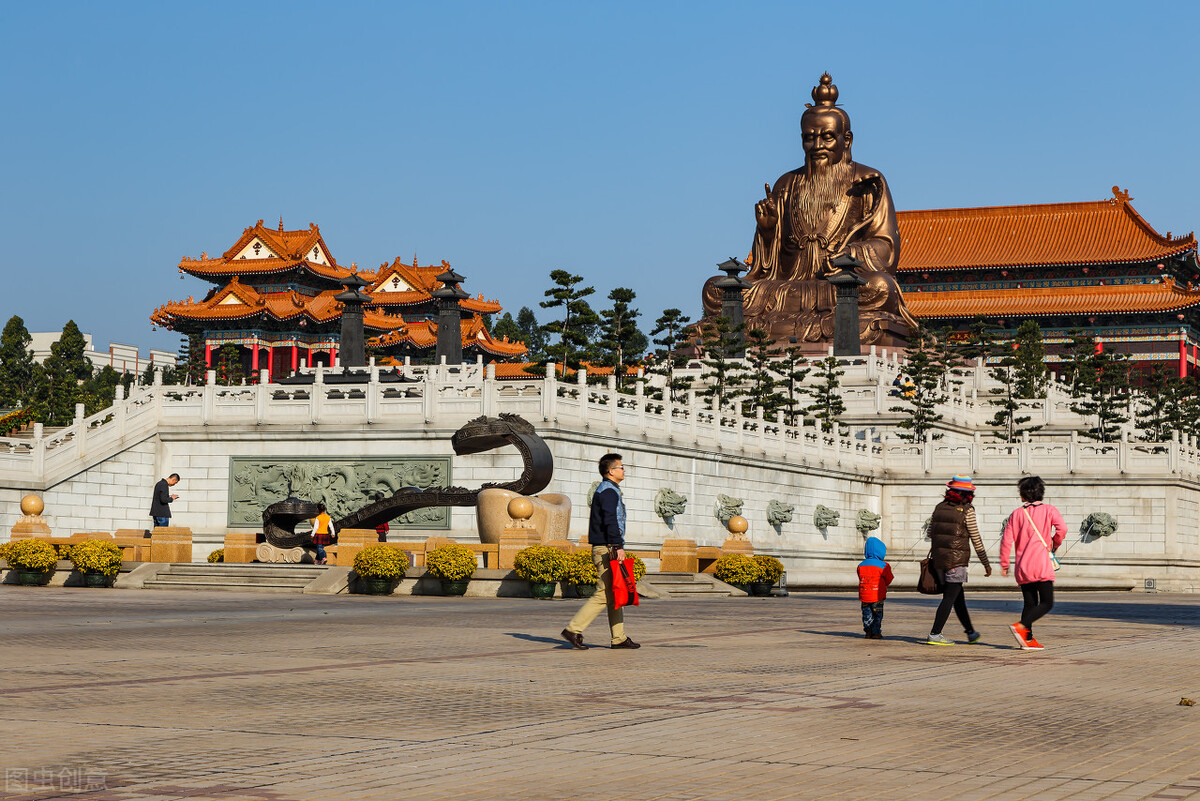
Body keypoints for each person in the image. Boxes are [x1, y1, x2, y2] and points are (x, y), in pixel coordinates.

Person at [700, 72, 917, 345]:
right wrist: (767, 232)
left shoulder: (868, 182)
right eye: (809, 138)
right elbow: (767, 266)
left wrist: (850, 253)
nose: (817, 146)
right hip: (786, 288)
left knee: (880, 288)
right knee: (717, 289)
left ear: (846, 140)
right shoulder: (786, 183)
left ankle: (769, 330)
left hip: (838, 286)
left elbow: (886, 246)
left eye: (827, 137)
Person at [561, 453, 640, 651]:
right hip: (607, 548)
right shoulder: (608, 491)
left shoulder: (610, 489)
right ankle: (573, 629)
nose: (624, 470)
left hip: (607, 546)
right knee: (604, 593)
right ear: (611, 471)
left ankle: (619, 638)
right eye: (621, 467)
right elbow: (609, 520)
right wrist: (617, 546)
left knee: (615, 594)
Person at [999, 476, 1067, 650]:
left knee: (1029, 603)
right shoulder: (1049, 510)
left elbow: (1006, 540)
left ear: (1023, 495)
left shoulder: (1017, 514)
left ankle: (1027, 640)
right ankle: (1022, 625)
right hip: (1041, 564)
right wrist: (1054, 543)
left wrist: (1005, 563)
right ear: (1040, 493)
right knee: (1047, 602)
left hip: (1023, 566)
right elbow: (1062, 529)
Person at [926, 475, 992, 646]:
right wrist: (986, 563)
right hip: (957, 561)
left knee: (957, 597)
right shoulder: (967, 510)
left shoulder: (939, 508)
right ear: (968, 493)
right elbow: (976, 538)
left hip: (940, 561)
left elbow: (929, 533)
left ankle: (970, 632)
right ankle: (935, 633)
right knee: (949, 598)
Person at [857, 536, 894, 639]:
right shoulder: (884, 565)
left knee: (866, 615)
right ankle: (876, 632)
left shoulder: (861, 565)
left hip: (864, 596)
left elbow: (860, 577)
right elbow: (889, 580)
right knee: (877, 615)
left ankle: (868, 632)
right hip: (877, 596)